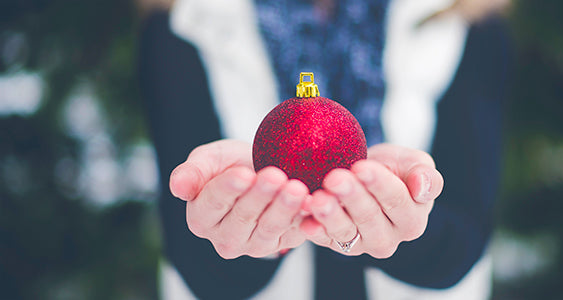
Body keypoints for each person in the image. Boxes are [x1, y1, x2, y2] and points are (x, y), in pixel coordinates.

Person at [138, 0, 511, 299]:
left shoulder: (466, 15)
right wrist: (258, 237)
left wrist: (405, 225)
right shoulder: (184, 17)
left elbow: (467, 227)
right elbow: (195, 258)